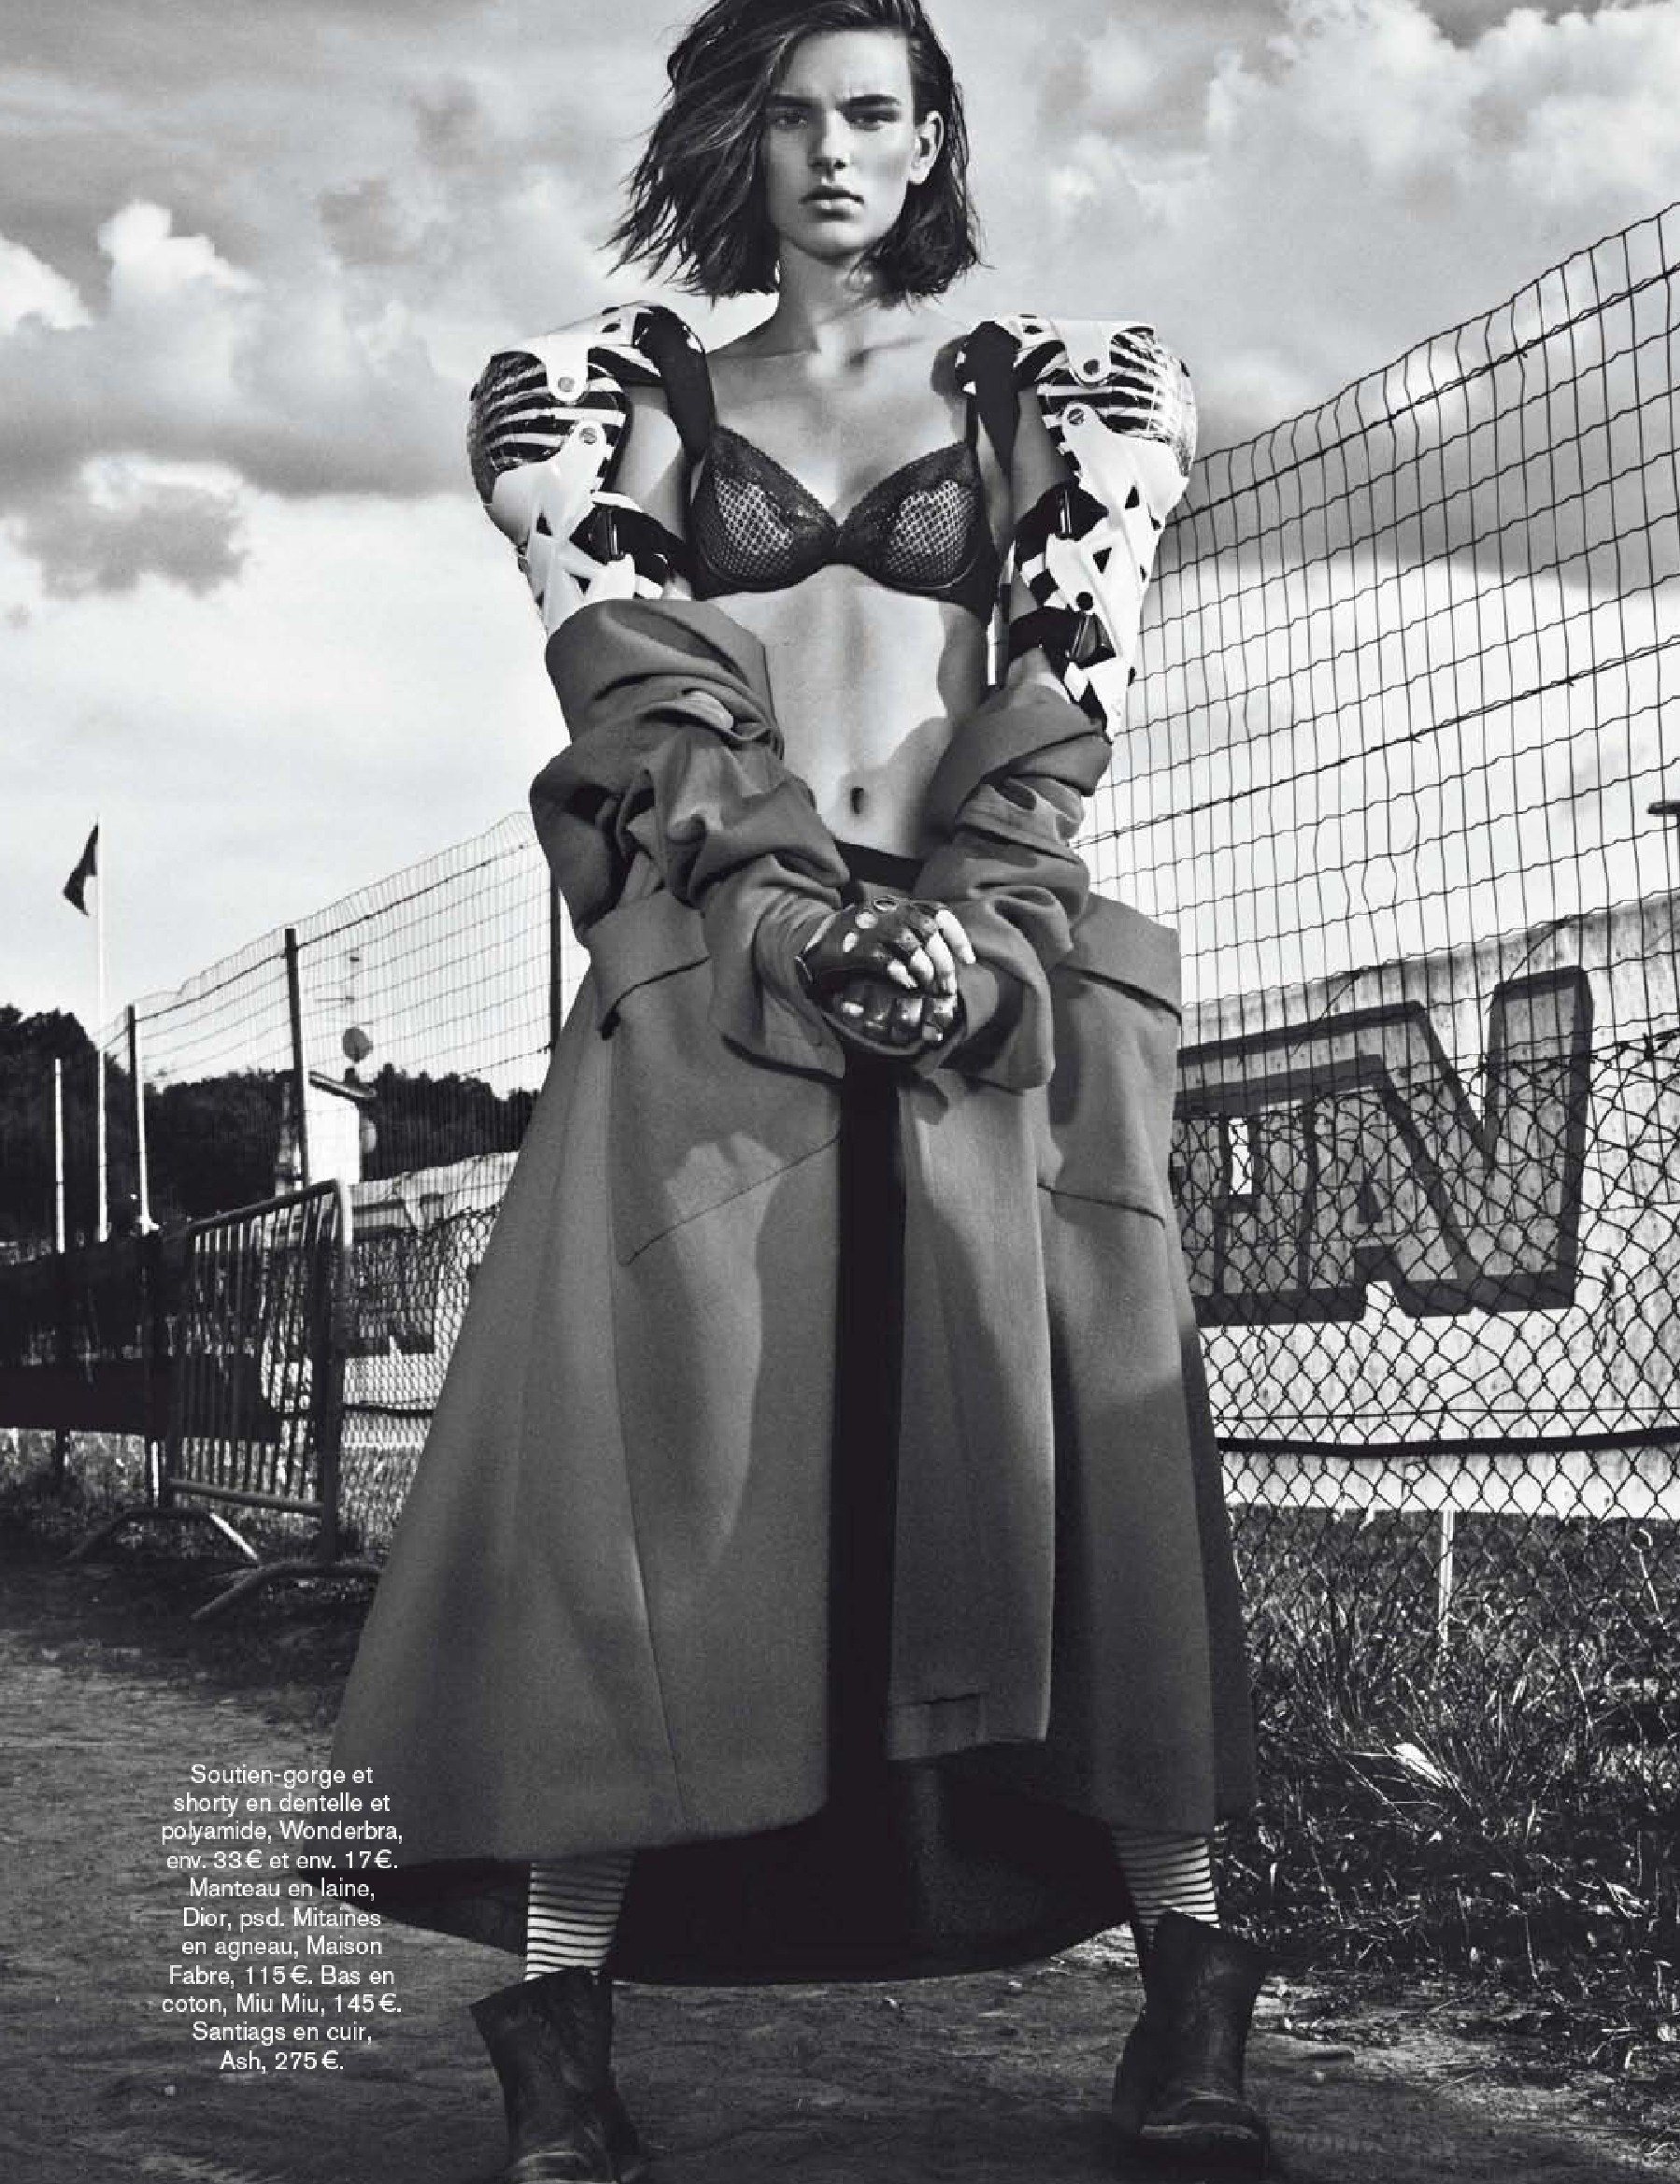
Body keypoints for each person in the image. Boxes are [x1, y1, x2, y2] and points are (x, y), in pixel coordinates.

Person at [329, 1, 1267, 2176]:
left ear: (929, 140)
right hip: (715, 970)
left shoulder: (1057, 391)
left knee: (1078, 1482)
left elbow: (1059, 683)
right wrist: (779, 914)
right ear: (734, 143)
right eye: (792, 116)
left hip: (983, 973)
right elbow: (635, 690)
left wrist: (974, 930)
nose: (833, 151)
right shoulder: (620, 399)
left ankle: (1190, 1994)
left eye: (873, 114)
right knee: (637, 1487)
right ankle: (558, 2026)